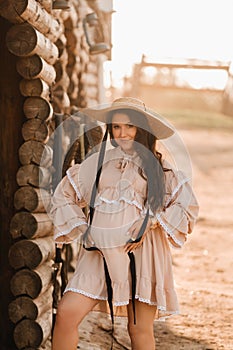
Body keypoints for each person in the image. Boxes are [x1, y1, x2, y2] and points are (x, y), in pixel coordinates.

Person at [50, 97, 199, 350]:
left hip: (141, 254)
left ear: (141, 129)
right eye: (117, 127)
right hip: (99, 256)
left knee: (138, 329)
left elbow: (186, 206)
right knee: (66, 313)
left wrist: (151, 222)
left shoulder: (158, 167)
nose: (122, 133)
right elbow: (64, 194)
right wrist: (82, 228)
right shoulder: (99, 163)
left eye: (129, 127)